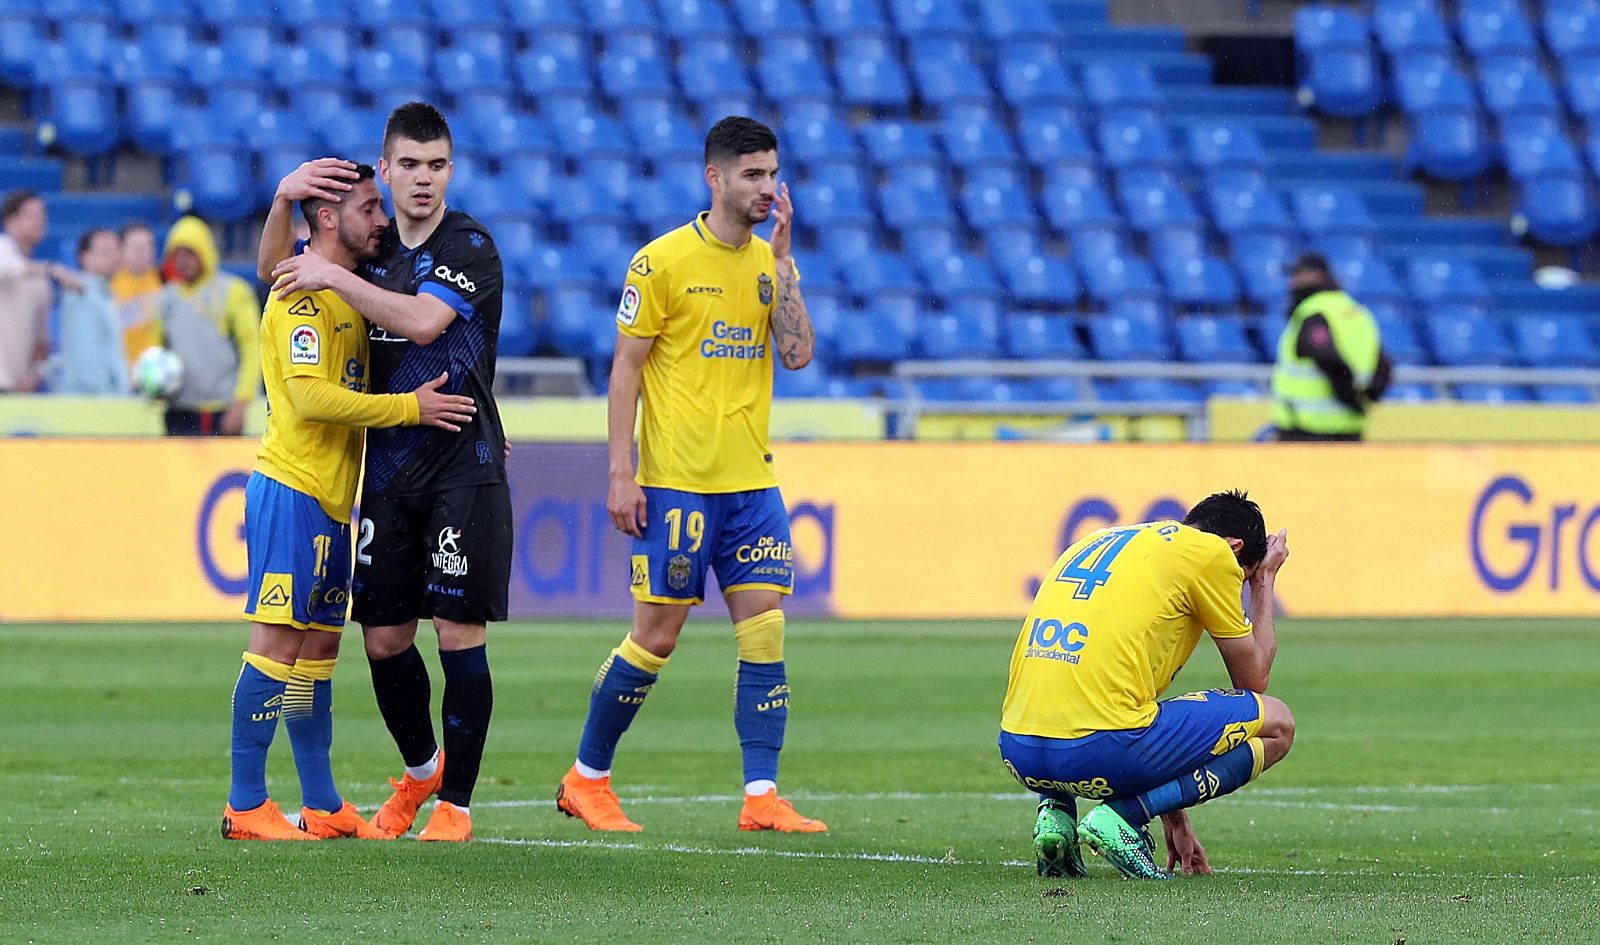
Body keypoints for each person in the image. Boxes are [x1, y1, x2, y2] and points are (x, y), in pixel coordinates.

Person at [554, 116, 822, 834]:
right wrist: (622, 472)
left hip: (751, 483)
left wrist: (787, 261)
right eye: (752, 175)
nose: (767, 188)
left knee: (765, 631)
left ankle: (762, 795)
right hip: (677, 481)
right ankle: (587, 777)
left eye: (772, 174)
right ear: (715, 178)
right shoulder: (661, 262)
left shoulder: (770, 263)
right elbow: (625, 371)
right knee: (657, 636)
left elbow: (797, 354)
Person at [262, 102, 508, 842]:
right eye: (410, 165)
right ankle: (422, 767)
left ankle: (456, 806)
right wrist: (285, 202)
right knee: (383, 641)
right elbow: (277, 271)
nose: (423, 179)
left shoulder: (469, 245)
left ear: (450, 170)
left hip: (464, 466)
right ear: (387, 167)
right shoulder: (372, 251)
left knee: (458, 632)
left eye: (436, 165)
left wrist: (329, 277)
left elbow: (425, 323)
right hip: (388, 475)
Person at [998, 490, 1295, 880]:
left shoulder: (1098, 541)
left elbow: (1145, 712)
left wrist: (1176, 819)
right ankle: (1123, 817)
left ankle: (1055, 817)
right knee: (1278, 722)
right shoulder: (1212, 553)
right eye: (1243, 576)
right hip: (1098, 752)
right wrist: (1264, 579)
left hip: (1019, 751)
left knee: (1081, 684)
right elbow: (1252, 679)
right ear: (1234, 546)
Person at [153, 216, 261, 435]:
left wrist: (241, 403)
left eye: (190, 254)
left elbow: (252, 349)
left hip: (222, 409)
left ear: (205, 252)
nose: (183, 261)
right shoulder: (165, 299)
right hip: (178, 410)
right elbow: (158, 352)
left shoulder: (233, 292)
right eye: (177, 255)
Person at [1271, 254, 1393, 442]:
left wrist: (1348, 398)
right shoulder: (1357, 312)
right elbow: (1383, 367)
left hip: (1307, 433)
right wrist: (1364, 400)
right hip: (1351, 432)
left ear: (1317, 276)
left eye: (1297, 275)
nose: (1291, 283)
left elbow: (1325, 356)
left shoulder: (1313, 311)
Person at [0, 189, 80, 393]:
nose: (39, 220)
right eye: (30, 214)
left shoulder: (41, 279)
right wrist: (52, 270)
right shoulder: (3, 248)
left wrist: (34, 375)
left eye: (42, 214)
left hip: (16, 388)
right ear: (9, 221)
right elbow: (9, 269)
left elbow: (42, 343)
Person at [53, 228, 129, 395]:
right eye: (105, 251)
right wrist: (107, 395)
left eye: (116, 250)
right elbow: (86, 356)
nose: (113, 257)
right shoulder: (81, 294)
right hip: (94, 401)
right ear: (84, 256)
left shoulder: (103, 294)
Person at [110, 222, 163, 373]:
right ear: (120, 250)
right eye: (134, 247)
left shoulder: (166, 282)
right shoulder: (107, 287)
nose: (140, 252)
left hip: (156, 371)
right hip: (120, 372)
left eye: (146, 246)